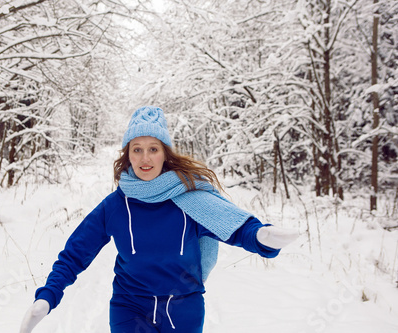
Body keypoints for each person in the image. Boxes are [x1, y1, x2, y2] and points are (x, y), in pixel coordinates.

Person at [20, 106, 298, 333]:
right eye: (137, 148)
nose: (145, 157)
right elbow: (74, 254)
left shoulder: (190, 199)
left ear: (165, 153)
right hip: (129, 309)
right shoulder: (116, 206)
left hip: (183, 310)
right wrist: (48, 296)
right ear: (127, 155)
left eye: (153, 148)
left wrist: (261, 236)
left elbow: (233, 226)